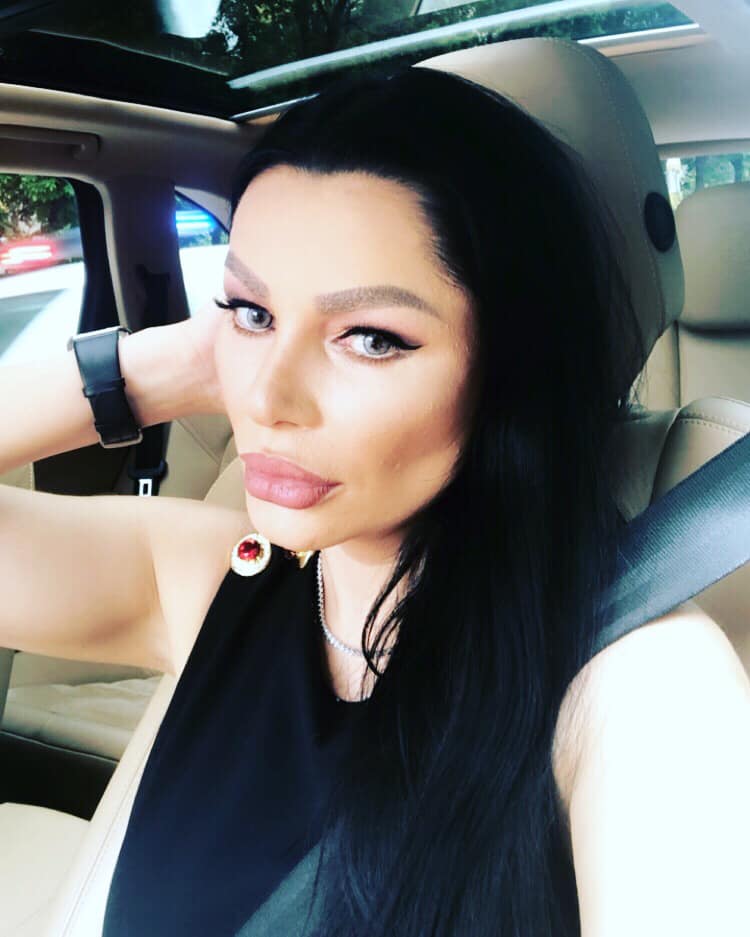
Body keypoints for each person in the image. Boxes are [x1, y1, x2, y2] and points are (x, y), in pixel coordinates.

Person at [1, 66, 748, 937]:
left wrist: (261, 327)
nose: (267, 399)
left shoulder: (641, 684)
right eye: (249, 310)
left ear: (509, 370)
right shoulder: (211, 580)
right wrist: (158, 365)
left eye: (371, 337)